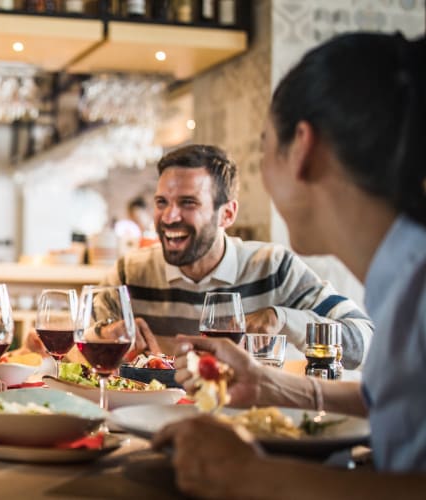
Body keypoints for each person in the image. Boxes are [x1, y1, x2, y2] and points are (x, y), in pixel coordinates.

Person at [154, 32, 426, 498]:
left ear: (302, 148)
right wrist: (270, 385)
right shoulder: (400, 274)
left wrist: (252, 476)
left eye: (263, 149)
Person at [104, 144, 373, 367]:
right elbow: (89, 332)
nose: (169, 216)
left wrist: (282, 319)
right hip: (154, 421)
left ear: (228, 214)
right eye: (162, 202)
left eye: (188, 203)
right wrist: (108, 335)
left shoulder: (274, 268)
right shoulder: (130, 272)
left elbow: (365, 341)